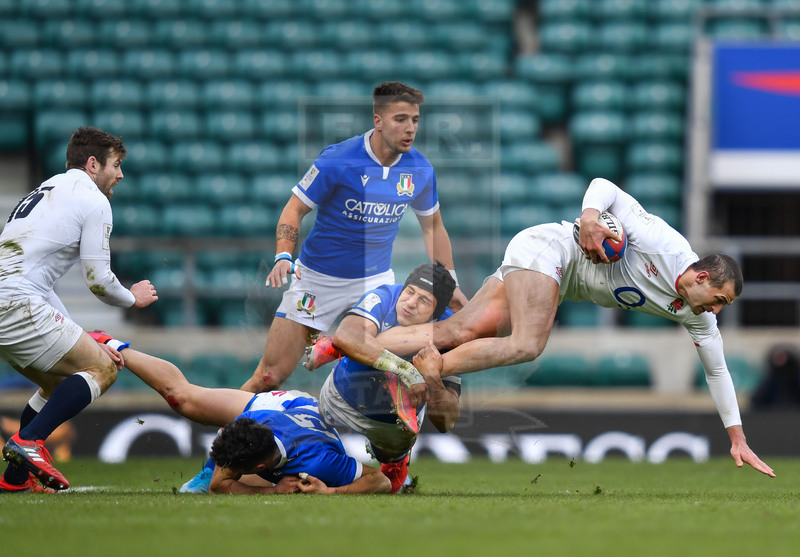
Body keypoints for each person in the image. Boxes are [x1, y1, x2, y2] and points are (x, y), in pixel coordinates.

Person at [325, 177, 775, 477]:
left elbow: (717, 372)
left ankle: (345, 345)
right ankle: (423, 377)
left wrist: (737, 438)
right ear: (700, 277)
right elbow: (604, 186)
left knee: (455, 331)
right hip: (550, 250)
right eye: (718, 300)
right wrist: (593, 217)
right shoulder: (664, 244)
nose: (716, 312)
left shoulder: (696, 314)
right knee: (528, 344)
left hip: (558, 278)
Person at [241, 81, 467, 394]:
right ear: (378, 121)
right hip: (317, 281)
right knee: (269, 378)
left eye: (415, 120)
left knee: (395, 363)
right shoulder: (338, 159)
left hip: (374, 282)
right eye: (400, 119)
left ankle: (337, 350)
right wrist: (283, 255)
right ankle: (226, 435)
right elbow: (293, 210)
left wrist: (450, 279)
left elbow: (433, 227)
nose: (410, 128)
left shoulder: (420, 170)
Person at [0, 127, 158, 493]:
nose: (120, 175)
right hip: (18, 302)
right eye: (116, 165)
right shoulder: (94, 200)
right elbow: (99, 280)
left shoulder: (46, 188)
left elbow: (42, 285)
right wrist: (133, 298)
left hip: (14, 301)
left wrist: (80, 335)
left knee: (58, 383)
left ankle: (16, 478)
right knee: (103, 367)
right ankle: (30, 442)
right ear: (93, 164)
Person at [88, 332, 390, 495]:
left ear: (258, 466)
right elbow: (221, 485)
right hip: (274, 409)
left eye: (227, 467)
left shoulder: (323, 464)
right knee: (182, 399)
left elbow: (380, 482)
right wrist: (272, 493)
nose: (226, 473)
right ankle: (112, 345)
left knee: (249, 487)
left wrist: (330, 493)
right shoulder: (254, 421)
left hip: (302, 415)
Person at [316, 263, 461, 493]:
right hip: (341, 397)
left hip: (392, 424)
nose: (411, 303)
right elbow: (347, 335)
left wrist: (433, 379)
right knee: (313, 459)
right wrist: (409, 371)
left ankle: (396, 459)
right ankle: (337, 348)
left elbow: (446, 422)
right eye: (410, 291)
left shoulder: (450, 330)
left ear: (436, 314)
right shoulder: (383, 296)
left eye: (424, 301)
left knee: (389, 485)